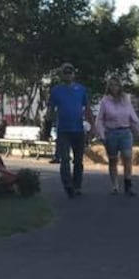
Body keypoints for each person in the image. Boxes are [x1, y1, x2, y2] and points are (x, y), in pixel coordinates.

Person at [48, 63, 95, 197]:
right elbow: (50, 110)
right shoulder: (56, 90)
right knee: (65, 158)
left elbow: (87, 108)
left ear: (74, 74)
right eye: (65, 72)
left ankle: (77, 185)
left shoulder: (81, 89)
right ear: (61, 74)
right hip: (63, 129)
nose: (68, 74)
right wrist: (47, 128)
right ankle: (67, 184)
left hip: (78, 129)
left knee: (78, 159)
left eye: (70, 72)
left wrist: (93, 126)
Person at [94, 75, 139, 196]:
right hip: (111, 132)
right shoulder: (105, 101)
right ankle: (115, 185)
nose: (114, 87)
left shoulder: (126, 99)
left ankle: (128, 184)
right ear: (109, 87)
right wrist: (101, 134)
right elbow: (100, 119)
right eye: (111, 85)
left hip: (125, 132)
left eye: (116, 85)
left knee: (127, 157)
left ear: (120, 86)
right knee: (113, 160)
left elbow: (133, 117)